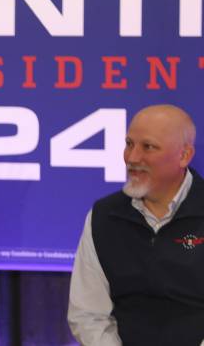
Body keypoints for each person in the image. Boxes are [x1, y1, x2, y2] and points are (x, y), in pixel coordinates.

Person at [68, 104, 203, 346]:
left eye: (148, 147)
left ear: (184, 155)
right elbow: (88, 313)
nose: (132, 158)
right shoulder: (104, 216)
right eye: (129, 144)